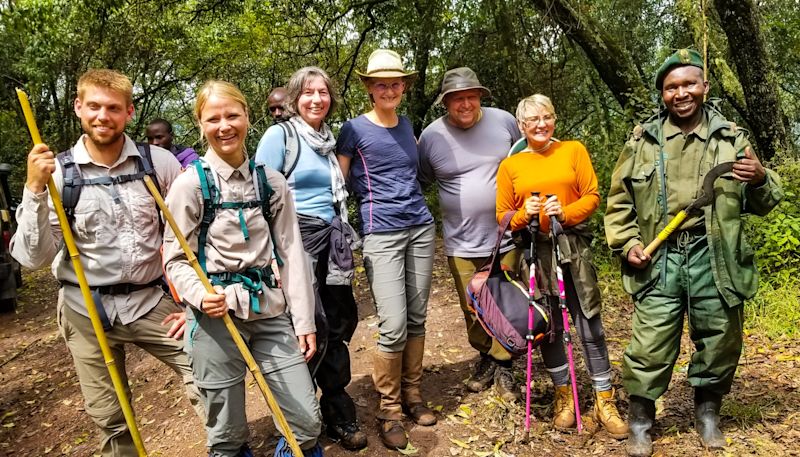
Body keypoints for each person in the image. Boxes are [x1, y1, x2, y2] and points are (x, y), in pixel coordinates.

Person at [10, 69, 203, 456]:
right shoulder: (58, 173)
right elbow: (33, 259)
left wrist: (192, 302)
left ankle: (226, 447)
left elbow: (191, 233)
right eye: (94, 106)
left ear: (129, 112)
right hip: (86, 308)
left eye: (113, 108)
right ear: (79, 107)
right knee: (110, 416)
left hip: (152, 301)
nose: (103, 116)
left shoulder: (159, 163)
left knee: (208, 376)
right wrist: (33, 187)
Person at [604, 49, 783, 457]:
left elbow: (765, 200)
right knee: (650, 342)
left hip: (714, 254)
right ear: (662, 94)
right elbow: (618, 202)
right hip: (661, 256)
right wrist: (629, 243)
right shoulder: (642, 141)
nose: (680, 93)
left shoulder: (731, 139)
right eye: (671, 87)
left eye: (688, 84)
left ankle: (708, 415)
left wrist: (759, 179)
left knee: (719, 338)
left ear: (704, 86)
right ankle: (640, 423)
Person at [162, 80, 323, 457]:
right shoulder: (190, 186)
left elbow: (291, 253)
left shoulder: (271, 182)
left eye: (232, 115)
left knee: (306, 422)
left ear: (247, 117)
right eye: (213, 118)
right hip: (216, 318)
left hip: (269, 309)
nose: (224, 126)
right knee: (227, 435)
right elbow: (175, 258)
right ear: (200, 124)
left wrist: (304, 321)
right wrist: (200, 297)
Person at [496, 94, 627, 438]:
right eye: (532, 120)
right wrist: (527, 214)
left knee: (589, 320)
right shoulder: (510, 165)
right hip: (535, 253)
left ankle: (604, 399)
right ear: (521, 126)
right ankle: (563, 395)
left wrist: (564, 213)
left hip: (573, 247)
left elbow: (593, 195)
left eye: (547, 117)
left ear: (554, 119)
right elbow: (503, 215)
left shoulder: (573, 150)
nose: (540, 125)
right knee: (550, 324)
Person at [255, 67, 367, 451]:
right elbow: (258, 198)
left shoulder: (326, 140)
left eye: (323, 92)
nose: (316, 99)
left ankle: (336, 408)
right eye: (308, 93)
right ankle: (299, 417)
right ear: (293, 98)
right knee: (303, 328)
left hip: (331, 242)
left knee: (336, 323)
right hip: (295, 245)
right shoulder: (280, 136)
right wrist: (268, 254)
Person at [337, 49, 436, 450]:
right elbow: (339, 183)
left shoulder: (407, 124)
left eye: (396, 83)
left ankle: (412, 396)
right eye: (381, 83)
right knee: (392, 324)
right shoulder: (354, 129)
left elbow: (412, 173)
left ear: (404, 87)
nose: (389, 89)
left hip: (420, 227)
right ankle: (389, 409)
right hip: (382, 231)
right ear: (368, 87)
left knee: (417, 317)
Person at [417, 67, 523, 401]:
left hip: (506, 234)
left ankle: (504, 366)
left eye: (470, 96)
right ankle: (486, 356)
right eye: (457, 99)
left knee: (504, 300)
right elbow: (421, 180)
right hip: (460, 239)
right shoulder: (432, 136)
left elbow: (526, 160)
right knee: (472, 306)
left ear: (480, 96)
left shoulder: (504, 121)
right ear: (445, 102)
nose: (465, 104)